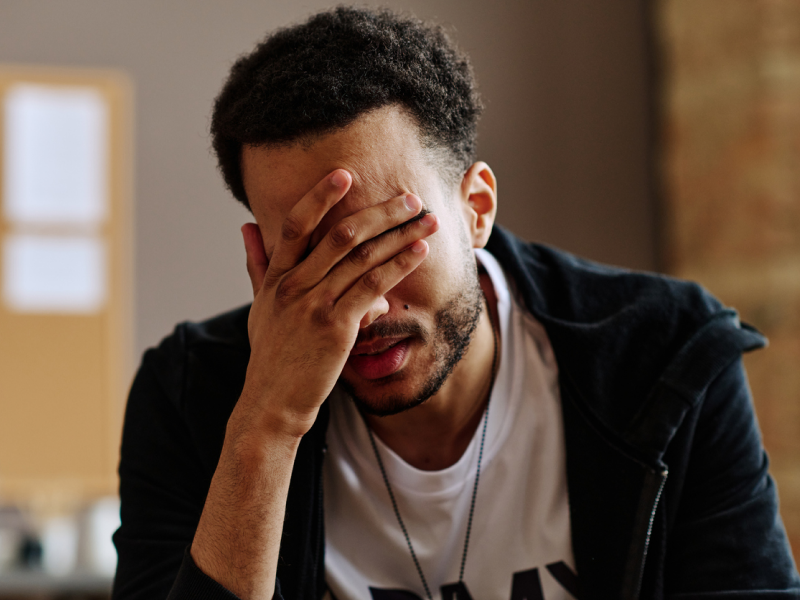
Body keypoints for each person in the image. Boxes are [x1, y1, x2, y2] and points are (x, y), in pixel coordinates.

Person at [111, 6, 800, 600]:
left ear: (477, 209)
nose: (367, 312)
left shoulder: (665, 356)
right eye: (311, 264)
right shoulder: (190, 397)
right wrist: (268, 423)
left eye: (389, 246)